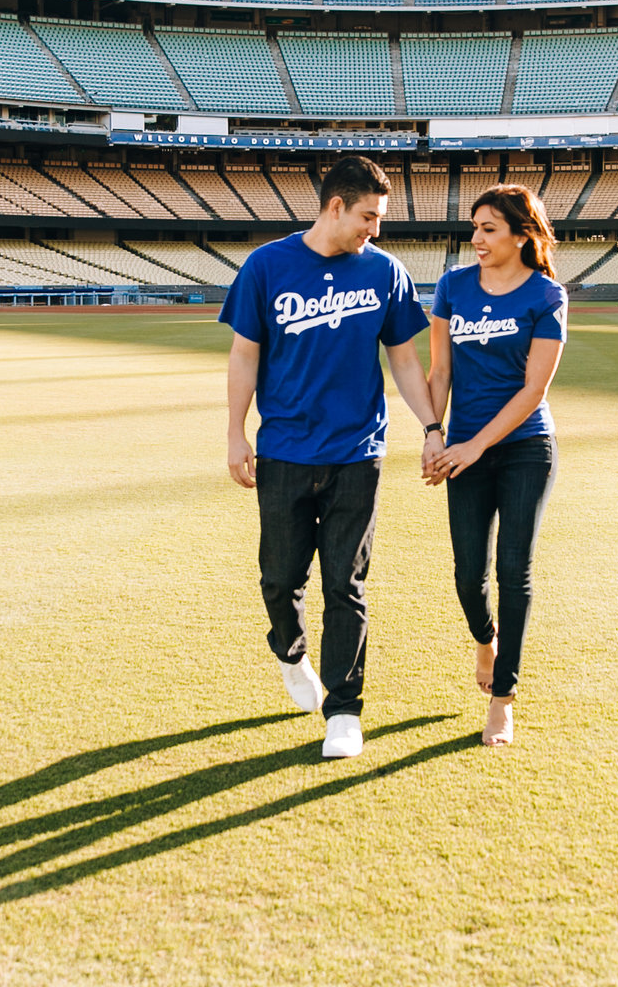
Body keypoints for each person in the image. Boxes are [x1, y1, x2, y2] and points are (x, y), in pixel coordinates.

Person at [221, 155, 439, 760]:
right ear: (336, 206)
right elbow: (244, 356)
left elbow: (401, 358)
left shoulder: (385, 273)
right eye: (369, 216)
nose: (377, 229)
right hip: (285, 449)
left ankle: (344, 711)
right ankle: (290, 653)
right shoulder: (267, 265)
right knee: (280, 577)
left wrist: (432, 426)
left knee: (346, 583)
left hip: (356, 451)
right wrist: (236, 434)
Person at [425, 184, 566, 748]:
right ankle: (486, 640)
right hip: (463, 447)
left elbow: (534, 390)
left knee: (515, 571)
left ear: (522, 235)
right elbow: (440, 373)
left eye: (489, 229)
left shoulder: (546, 294)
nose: (477, 239)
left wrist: (474, 445)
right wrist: (435, 435)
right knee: (467, 575)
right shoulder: (453, 285)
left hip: (525, 447)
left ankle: (503, 700)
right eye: (475, 228)